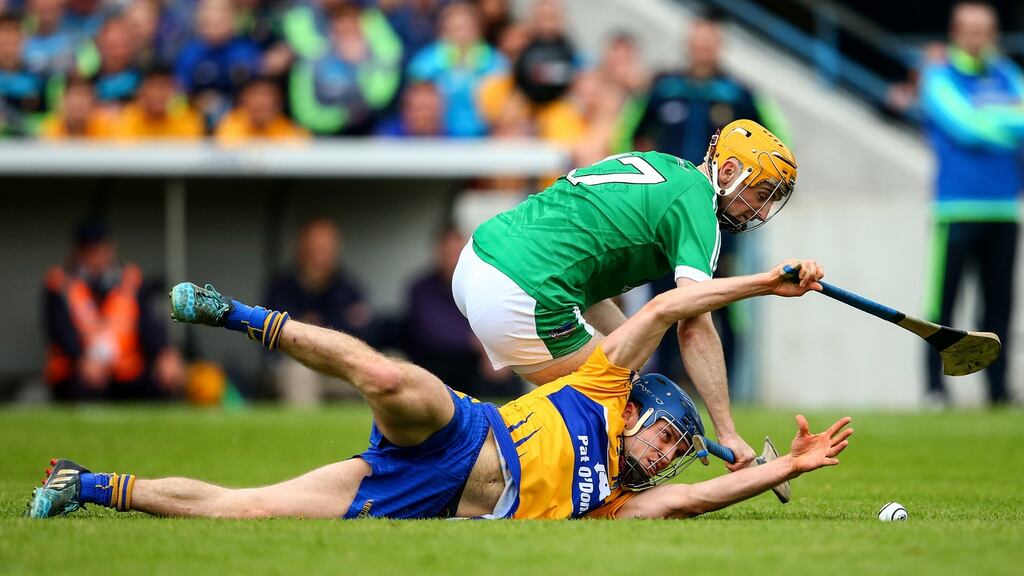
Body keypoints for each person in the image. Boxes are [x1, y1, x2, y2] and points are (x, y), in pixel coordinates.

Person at [26, 256, 853, 520]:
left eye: (677, 451)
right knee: (385, 374)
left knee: (246, 510)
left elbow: (690, 504)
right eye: (667, 437)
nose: (668, 457)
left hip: (424, 498)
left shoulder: (615, 506)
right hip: (464, 433)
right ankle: (240, 315)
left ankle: (84, 485)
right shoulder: (605, 386)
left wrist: (788, 468)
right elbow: (671, 304)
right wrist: (763, 283)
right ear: (635, 410)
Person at [454, 118, 796, 467]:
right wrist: (728, 433)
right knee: (618, 409)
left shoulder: (664, 165)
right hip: (522, 290)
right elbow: (693, 324)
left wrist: (632, 368)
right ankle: (486, 471)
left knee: (623, 388)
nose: (763, 211)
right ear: (728, 171)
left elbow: (588, 288)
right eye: (762, 195)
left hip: (478, 258)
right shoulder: (698, 206)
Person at [633, 14, 789, 384]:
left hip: (722, 219)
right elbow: (633, 137)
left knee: (722, 300)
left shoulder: (740, 94)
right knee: (663, 300)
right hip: (666, 216)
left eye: (710, 42)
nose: (703, 49)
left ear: (719, 46)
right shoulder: (663, 89)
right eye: (697, 42)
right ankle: (662, 383)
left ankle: (728, 383)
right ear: (689, 44)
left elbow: (777, 145)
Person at [919, 2, 1024, 407]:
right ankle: (934, 388)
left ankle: (998, 390)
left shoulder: (1007, 74)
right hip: (956, 208)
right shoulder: (939, 75)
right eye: (970, 30)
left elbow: (986, 125)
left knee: (999, 306)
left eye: (985, 31)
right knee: (943, 306)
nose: (978, 39)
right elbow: (965, 127)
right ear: (956, 32)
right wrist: (1006, 122)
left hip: (1003, 208)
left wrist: (988, 119)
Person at [42, 220, 184, 402]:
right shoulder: (60, 283)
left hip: (126, 370)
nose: (96, 256)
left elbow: (149, 324)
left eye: (100, 248)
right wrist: (80, 359)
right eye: (90, 250)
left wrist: (164, 352)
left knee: (163, 379)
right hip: (80, 369)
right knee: (81, 387)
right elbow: (59, 330)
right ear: (78, 251)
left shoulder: (130, 279)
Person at [265, 217, 375, 406]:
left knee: (391, 363)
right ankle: (302, 435)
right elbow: (277, 339)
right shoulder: (282, 287)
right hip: (298, 367)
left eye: (326, 248)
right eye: (313, 248)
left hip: (342, 368)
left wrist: (315, 326)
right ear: (301, 250)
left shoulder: (349, 288)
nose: (319, 255)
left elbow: (364, 334)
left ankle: (381, 435)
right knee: (300, 373)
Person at [399, 225, 518, 397]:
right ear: (437, 250)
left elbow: (498, 318)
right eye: (447, 250)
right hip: (436, 362)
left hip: (473, 363)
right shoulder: (421, 288)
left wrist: (496, 350)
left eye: (456, 250)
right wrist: (477, 343)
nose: (451, 256)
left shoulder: (479, 284)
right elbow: (431, 331)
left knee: (506, 371)